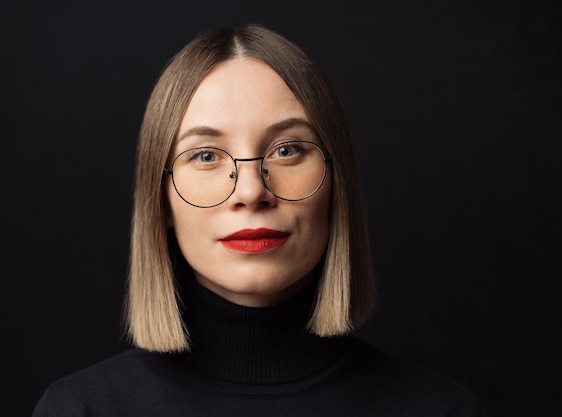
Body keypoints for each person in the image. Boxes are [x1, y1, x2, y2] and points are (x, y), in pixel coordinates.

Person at [32, 23, 481, 416]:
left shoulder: (442, 410)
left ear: (335, 184)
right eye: (205, 155)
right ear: (161, 200)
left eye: (287, 150)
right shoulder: (80, 411)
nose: (251, 192)